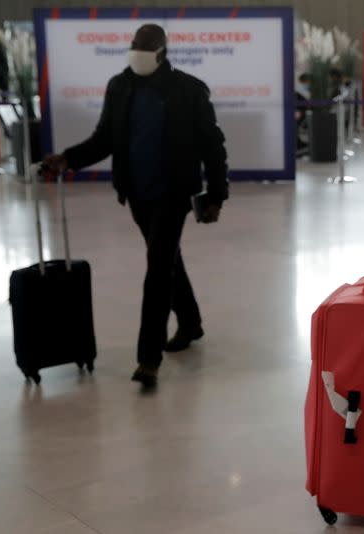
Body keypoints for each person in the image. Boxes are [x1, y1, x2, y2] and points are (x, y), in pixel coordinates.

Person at [43, 24, 229, 389]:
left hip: (174, 194)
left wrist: (217, 194)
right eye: (134, 45)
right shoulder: (120, 86)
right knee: (167, 258)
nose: (138, 53)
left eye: (146, 48)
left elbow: (212, 145)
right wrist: (67, 159)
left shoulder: (188, 90)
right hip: (137, 194)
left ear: (162, 52)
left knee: (158, 268)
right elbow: (105, 140)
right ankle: (190, 323)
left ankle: (149, 358)